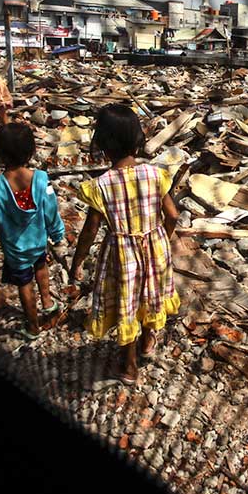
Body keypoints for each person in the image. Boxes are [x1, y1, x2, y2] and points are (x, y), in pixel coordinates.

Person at [69, 104, 180, 384]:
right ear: (138, 140)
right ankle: (147, 341)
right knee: (149, 294)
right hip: (155, 246)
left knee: (126, 302)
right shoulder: (155, 174)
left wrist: (78, 260)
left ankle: (129, 366)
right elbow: (173, 214)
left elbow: (90, 231)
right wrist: (162, 237)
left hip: (122, 254)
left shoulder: (101, 185)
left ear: (103, 144)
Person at [0, 123, 67, 340]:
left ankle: (33, 326)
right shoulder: (41, 179)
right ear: (32, 151)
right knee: (41, 265)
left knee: (24, 284)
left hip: (16, 249)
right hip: (38, 240)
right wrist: (57, 234)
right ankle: (47, 302)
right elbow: (51, 210)